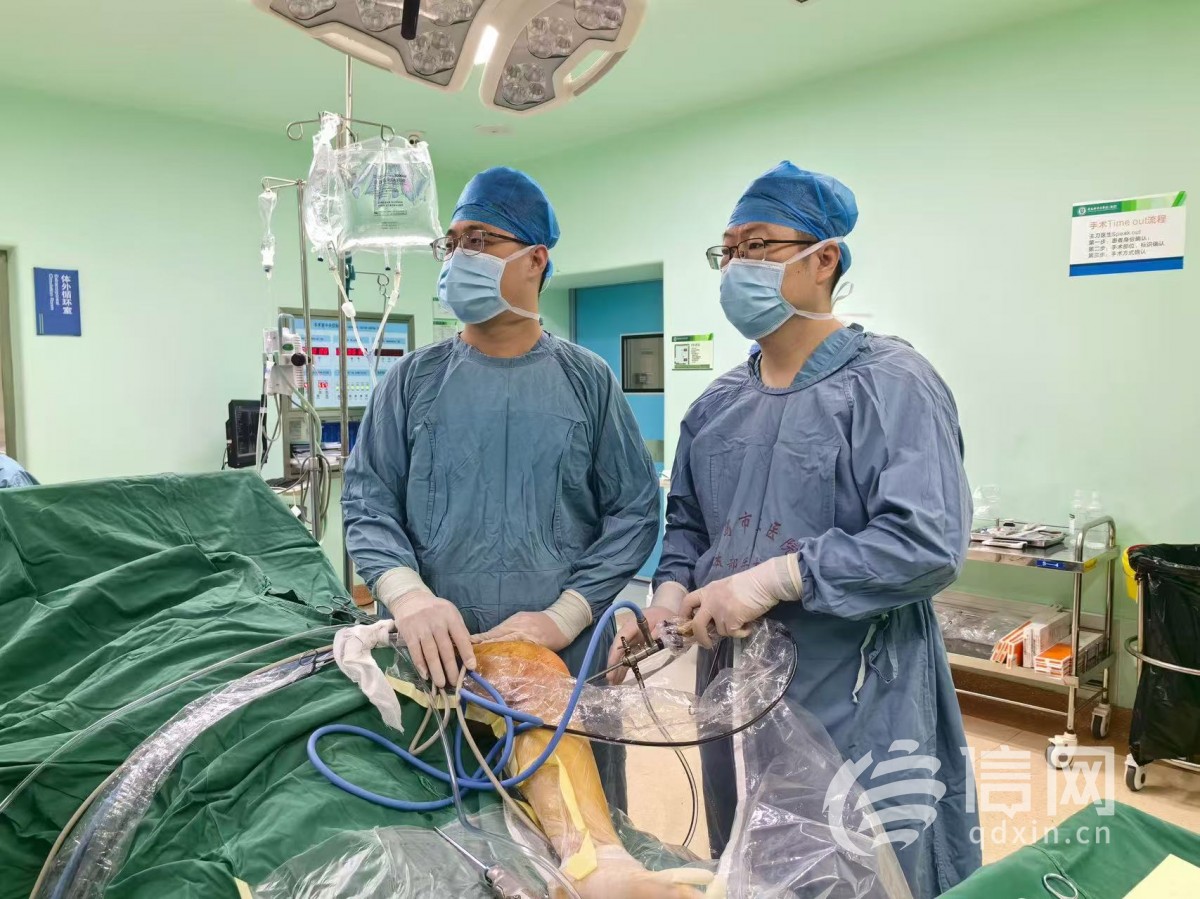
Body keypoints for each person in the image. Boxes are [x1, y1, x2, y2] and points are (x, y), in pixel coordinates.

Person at [607, 162, 980, 897]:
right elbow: (688, 524)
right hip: (731, 687)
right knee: (750, 859)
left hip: (852, 690)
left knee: (858, 866)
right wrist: (667, 595)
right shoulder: (717, 406)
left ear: (824, 259)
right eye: (726, 251)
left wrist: (776, 578)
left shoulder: (892, 384)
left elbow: (927, 543)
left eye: (756, 246)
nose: (735, 266)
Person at [343, 166, 659, 811]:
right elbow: (368, 502)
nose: (459, 256)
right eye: (452, 242)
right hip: (437, 660)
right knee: (443, 825)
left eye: (480, 240)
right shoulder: (411, 382)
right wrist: (408, 597)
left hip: (561, 659)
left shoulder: (588, 381)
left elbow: (634, 510)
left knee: (576, 829)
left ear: (535, 259)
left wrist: (564, 616)